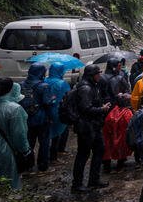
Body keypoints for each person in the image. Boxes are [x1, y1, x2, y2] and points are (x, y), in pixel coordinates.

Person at [72, 64, 111, 193]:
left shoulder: (93, 85)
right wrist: (102, 109)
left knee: (99, 150)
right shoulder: (85, 88)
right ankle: (77, 184)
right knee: (83, 155)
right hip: (86, 126)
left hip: (94, 125)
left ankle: (94, 179)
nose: (100, 75)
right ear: (91, 75)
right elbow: (85, 108)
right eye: (97, 74)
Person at [21, 63, 55, 172]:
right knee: (44, 143)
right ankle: (43, 166)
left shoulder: (21, 84)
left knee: (29, 142)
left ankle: (27, 165)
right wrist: (52, 100)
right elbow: (47, 103)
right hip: (41, 118)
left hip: (26, 118)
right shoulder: (44, 86)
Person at [45, 62, 71, 162]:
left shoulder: (45, 80)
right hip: (59, 110)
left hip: (47, 110)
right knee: (59, 133)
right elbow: (68, 96)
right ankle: (54, 157)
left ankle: (48, 156)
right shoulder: (62, 83)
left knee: (48, 134)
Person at [102, 93, 133, 173]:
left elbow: (107, 123)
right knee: (122, 149)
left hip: (110, 135)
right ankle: (120, 166)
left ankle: (107, 167)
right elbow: (130, 124)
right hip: (121, 135)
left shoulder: (112, 111)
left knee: (108, 149)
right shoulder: (127, 113)